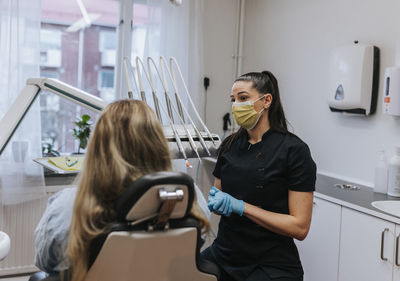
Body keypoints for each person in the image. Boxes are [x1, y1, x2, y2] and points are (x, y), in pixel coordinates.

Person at [34, 100, 209, 281]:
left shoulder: (68, 206)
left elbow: (46, 261)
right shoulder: (188, 197)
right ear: (159, 144)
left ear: (98, 146)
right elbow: (197, 244)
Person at [201, 71, 316, 281]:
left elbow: (300, 227)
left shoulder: (294, 150)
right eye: (233, 100)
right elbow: (218, 197)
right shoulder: (230, 145)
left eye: (243, 98)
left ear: (266, 101)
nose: (236, 105)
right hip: (224, 256)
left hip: (270, 265)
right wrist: (213, 202)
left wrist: (242, 207)